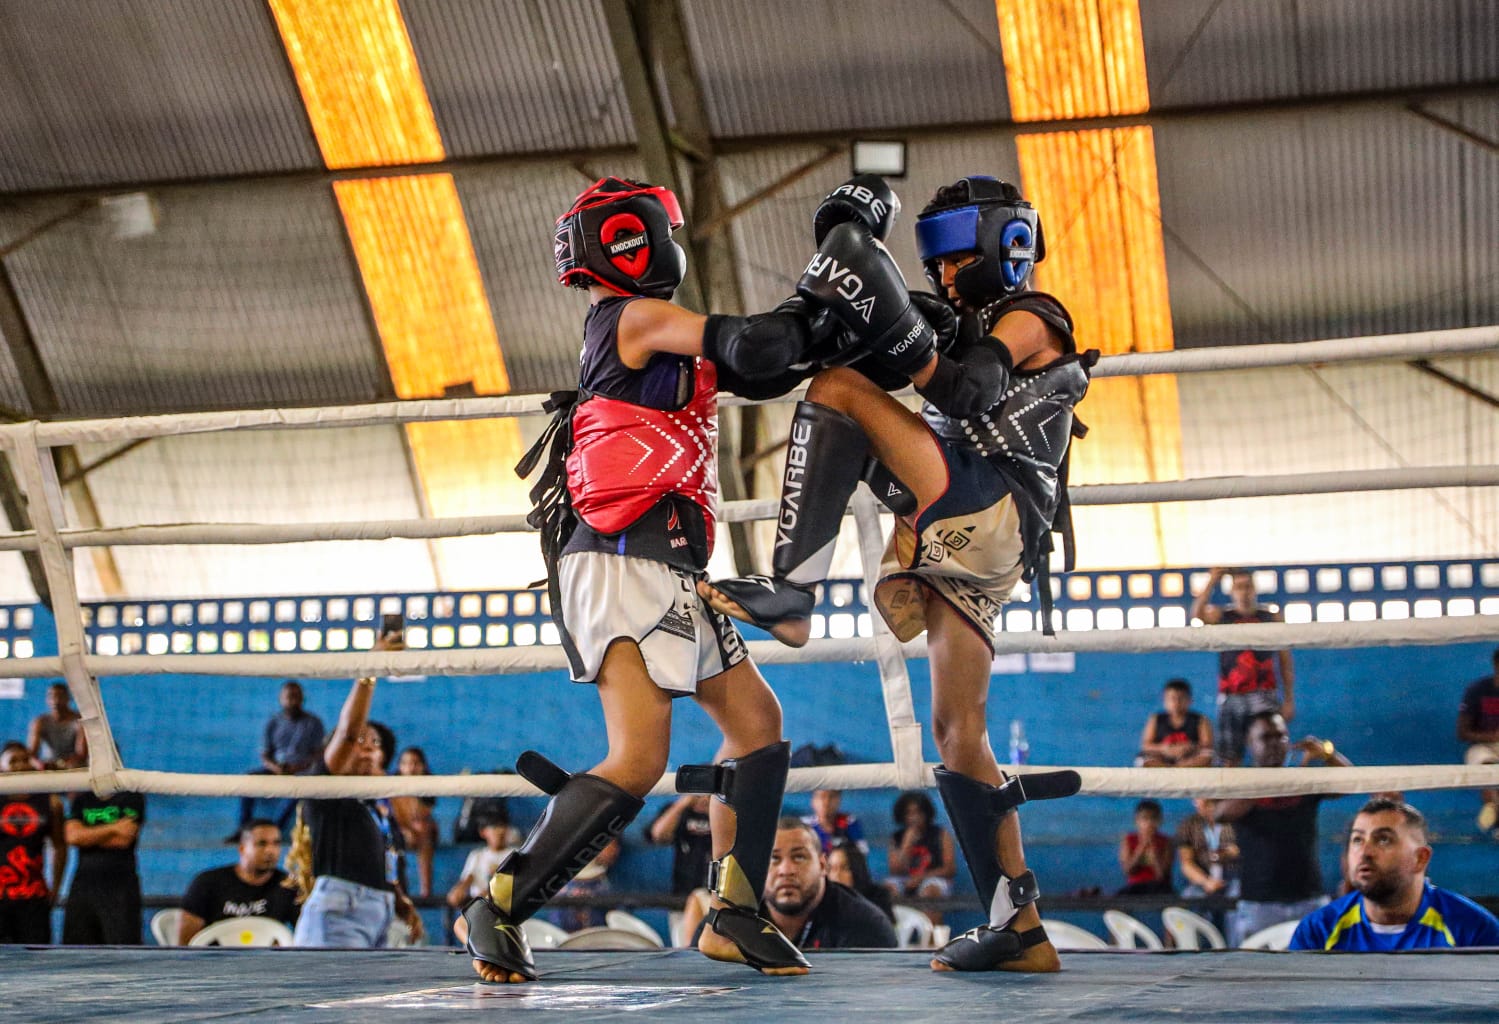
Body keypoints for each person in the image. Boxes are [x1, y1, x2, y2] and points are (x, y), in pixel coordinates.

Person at [701, 174, 1092, 973]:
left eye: (954, 252)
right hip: (963, 537)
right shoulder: (962, 321)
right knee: (957, 733)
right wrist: (815, 319)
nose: (942, 269)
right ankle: (1020, 928)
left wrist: (901, 330)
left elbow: (968, 390)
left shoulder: (1033, 314)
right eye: (930, 255)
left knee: (838, 392)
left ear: (1006, 242)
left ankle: (792, 589)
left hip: (989, 506)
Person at [462, 175, 832, 983]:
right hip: (622, 558)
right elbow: (755, 343)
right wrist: (832, 285)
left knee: (757, 724)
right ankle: (498, 903)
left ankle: (734, 911)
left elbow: (765, 367)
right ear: (631, 242)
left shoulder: (654, 337)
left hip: (664, 564)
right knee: (636, 758)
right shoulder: (632, 318)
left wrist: (834, 330)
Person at [285, 632, 423, 948]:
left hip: (381, 910)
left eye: (374, 743)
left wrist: (397, 897)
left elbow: (387, 855)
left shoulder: (376, 806)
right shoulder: (327, 789)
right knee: (332, 982)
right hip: (339, 909)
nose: (368, 747)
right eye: (360, 741)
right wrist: (370, 668)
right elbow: (347, 731)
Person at [1214, 710, 1352, 945]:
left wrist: (1327, 753)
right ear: (1250, 742)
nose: (1275, 743)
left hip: (1308, 899)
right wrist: (1269, 781)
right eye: (1265, 737)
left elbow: (1351, 782)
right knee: (1254, 967)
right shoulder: (1242, 784)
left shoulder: (1303, 783)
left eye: (1280, 736)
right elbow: (1221, 813)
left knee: (1318, 965)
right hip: (1259, 904)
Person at [1290, 798, 1499, 950]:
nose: (1365, 852)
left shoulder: (1475, 930)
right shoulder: (1317, 931)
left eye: (1383, 839)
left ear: (1420, 858)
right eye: (1357, 840)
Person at [1190, 568, 1296, 766]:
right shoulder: (1223, 616)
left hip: (1264, 693)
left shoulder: (1270, 617)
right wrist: (1213, 580)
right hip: (1232, 694)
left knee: (1271, 748)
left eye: (1248, 586)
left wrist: (1289, 698)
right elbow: (1197, 614)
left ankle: (1273, 787)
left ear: (1255, 589)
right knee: (1230, 755)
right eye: (1239, 587)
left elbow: (1285, 659)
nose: (1244, 591)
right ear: (1231, 591)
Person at [763, 818, 898, 950]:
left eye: (799, 857)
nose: (786, 870)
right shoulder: (749, 915)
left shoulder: (865, 926)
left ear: (822, 865)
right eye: (774, 858)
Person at [178, 819, 298, 944]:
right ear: (242, 848)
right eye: (261, 844)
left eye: (276, 843)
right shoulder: (207, 883)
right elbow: (185, 943)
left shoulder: (289, 885)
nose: (270, 850)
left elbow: (305, 936)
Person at [232, 680, 324, 840]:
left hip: (302, 772)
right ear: (281, 699)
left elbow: (318, 755)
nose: (293, 701)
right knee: (247, 780)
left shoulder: (313, 723)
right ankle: (243, 831)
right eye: (289, 697)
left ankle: (274, 831)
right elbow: (265, 754)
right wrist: (277, 768)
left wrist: (297, 768)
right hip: (276, 769)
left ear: (303, 698)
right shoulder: (273, 722)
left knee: (296, 789)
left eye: (297, 697)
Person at [62, 777, 146, 944]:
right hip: (84, 885)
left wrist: (88, 835)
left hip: (120, 886)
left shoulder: (131, 797)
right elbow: (73, 836)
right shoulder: (82, 799)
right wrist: (114, 827)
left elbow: (124, 838)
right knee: (77, 946)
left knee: (122, 946)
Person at [0, 740, 66, 943]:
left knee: (37, 956)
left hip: (34, 897)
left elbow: (59, 847)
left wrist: (56, 888)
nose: (20, 765)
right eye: (14, 761)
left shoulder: (51, 802)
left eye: (25, 760)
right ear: (2, 766)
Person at [1456, 647, 1499, 835]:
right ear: (1496, 665)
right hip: (1483, 746)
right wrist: (1491, 737)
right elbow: (1462, 733)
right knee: (1486, 765)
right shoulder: (1477, 691)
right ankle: (1493, 807)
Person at [886, 790, 956, 901]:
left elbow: (949, 870)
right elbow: (895, 871)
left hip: (933, 878)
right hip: (905, 878)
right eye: (909, 813)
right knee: (888, 889)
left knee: (930, 891)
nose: (914, 817)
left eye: (918, 812)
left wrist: (921, 877)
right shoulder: (896, 837)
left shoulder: (941, 834)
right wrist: (906, 844)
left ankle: (928, 913)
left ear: (926, 813)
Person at [446, 812, 520, 911]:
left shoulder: (515, 854)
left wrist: (481, 898)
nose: (500, 831)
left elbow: (511, 885)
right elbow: (468, 877)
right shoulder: (477, 855)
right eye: (494, 827)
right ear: (483, 832)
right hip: (480, 908)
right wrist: (459, 890)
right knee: (455, 898)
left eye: (503, 827)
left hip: (504, 908)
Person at [390, 747, 438, 897]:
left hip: (420, 834)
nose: (410, 768)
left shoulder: (429, 787)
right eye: (405, 763)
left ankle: (426, 891)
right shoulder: (390, 787)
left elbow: (422, 817)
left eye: (415, 763)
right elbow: (392, 818)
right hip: (397, 831)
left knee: (423, 831)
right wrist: (404, 829)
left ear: (423, 766)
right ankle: (396, 889)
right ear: (399, 766)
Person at [646, 793, 714, 895]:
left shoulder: (723, 813)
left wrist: (712, 809)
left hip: (715, 886)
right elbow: (658, 835)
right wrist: (682, 804)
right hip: (683, 887)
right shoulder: (680, 812)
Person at [1136, 678, 1213, 768]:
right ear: (1164, 701)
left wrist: (1190, 747)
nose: (1176, 702)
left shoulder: (1200, 720)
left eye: (1181, 698)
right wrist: (1164, 749)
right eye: (1172, 698)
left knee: (1209, 755)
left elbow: (1207, 745)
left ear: (1190, 700)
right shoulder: (1155, 719)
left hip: (1189, 759)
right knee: (1142, 759)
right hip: (1163, 758)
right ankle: (1169, 768)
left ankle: (1179, 767)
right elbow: (1145, 745)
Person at [1175, 797, 1239, 899]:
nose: (1197, 804)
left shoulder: (1233, 822)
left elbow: (1243, 849)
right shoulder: (1189, 825)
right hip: (1203, 880)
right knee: (1189, 894)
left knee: (1238, 892)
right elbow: (1186, 864)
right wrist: (1206, 881)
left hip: (1232, 879)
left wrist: (1228, 853)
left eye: (1210, 804)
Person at [828, 842, 895, 923]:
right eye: (832, 868)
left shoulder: (878, 897)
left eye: (844, 868)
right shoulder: (824, 901)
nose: (837, 875)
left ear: (857, 869)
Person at [1117, 800, 1173, 895]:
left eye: (1153, 818)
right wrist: (1141, 848)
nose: (1149, 823)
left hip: (1159, 887)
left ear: (1160, 820)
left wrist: (1155, 856)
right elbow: (1127, 871)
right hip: (1135, 886)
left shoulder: (1166, 842)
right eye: (1145, 818)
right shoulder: (1129, 840)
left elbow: (1162, 876)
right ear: (1136, 821)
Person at [27, 682, 84, 770]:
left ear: (68, 698)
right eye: (52, 696)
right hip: (47, 767)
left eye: (60, 696)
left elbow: (81, 754)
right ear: (47, 700)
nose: (56, 701)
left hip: (74, 767)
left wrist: (60, 765)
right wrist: (40, 765)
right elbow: (31, 754)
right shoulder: (40, 722)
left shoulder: (80, 721)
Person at [803, 788, 867, 854]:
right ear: (813, 800)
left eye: (831, 797)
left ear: (839, 799)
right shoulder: (804, 825)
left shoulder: (849, 822)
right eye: (821, 797)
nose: (826, 802)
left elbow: (862, 853)